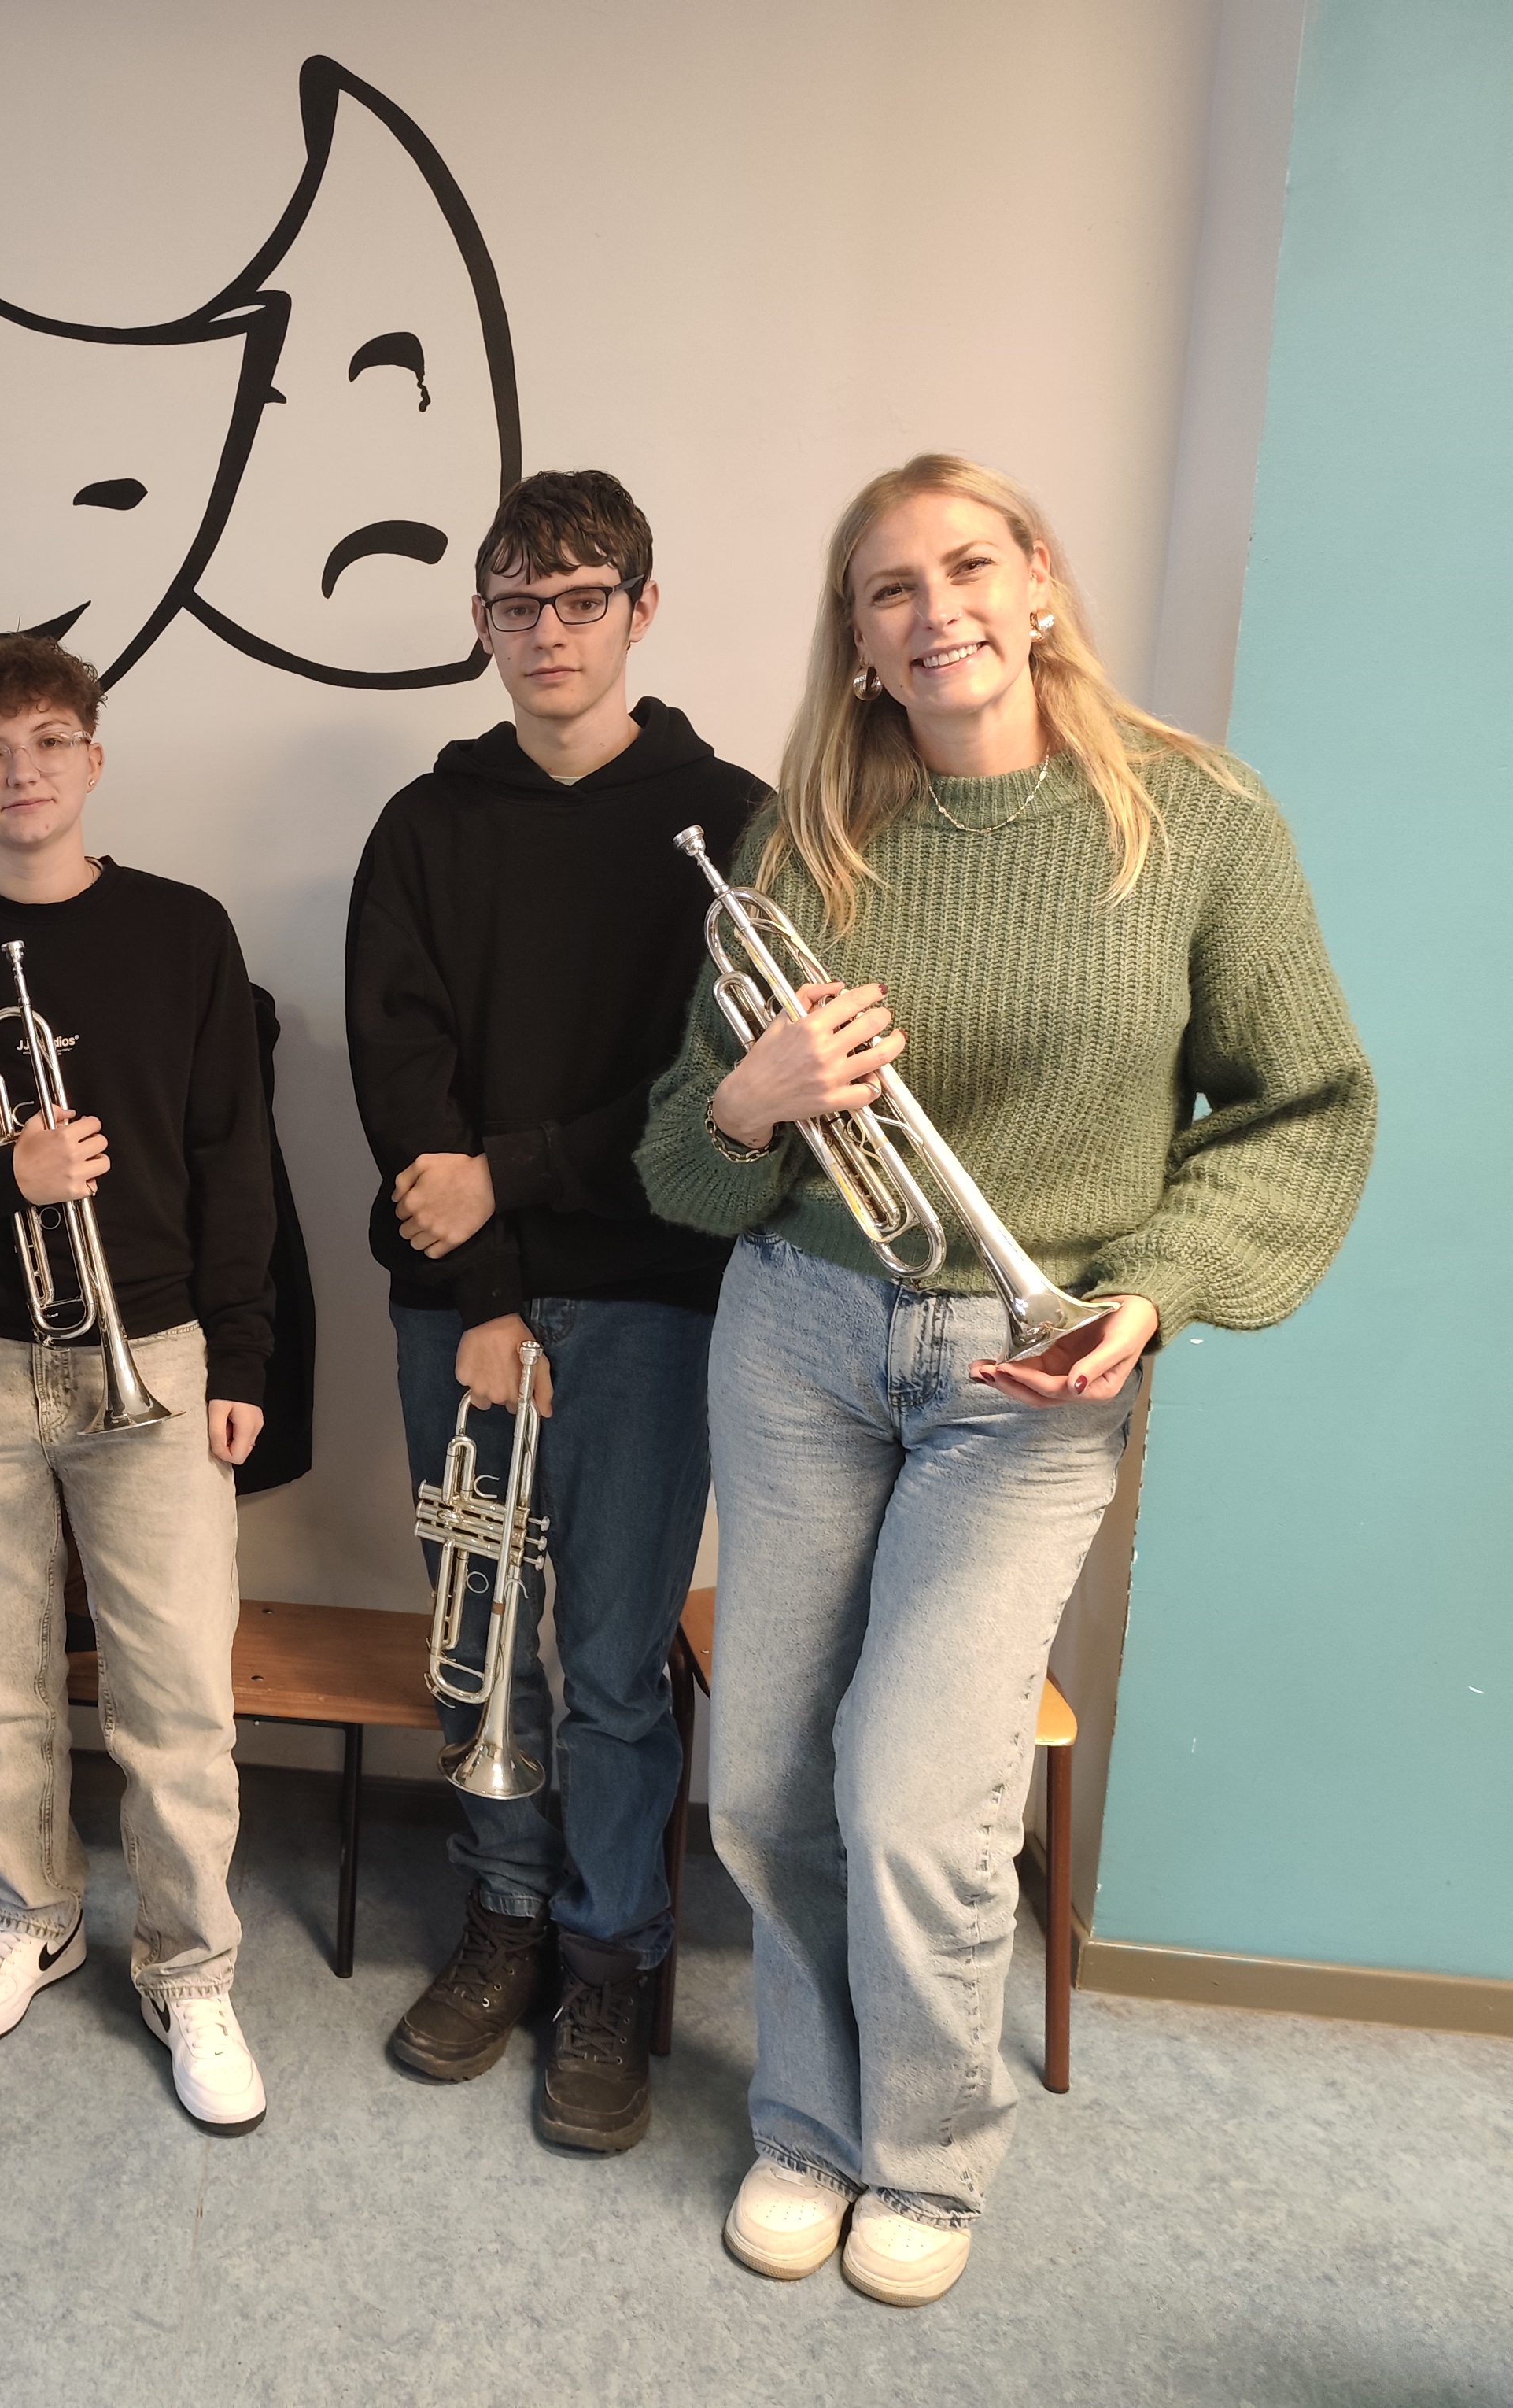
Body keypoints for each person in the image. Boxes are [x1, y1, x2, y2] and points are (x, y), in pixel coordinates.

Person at [636, 454, 1375, 2306]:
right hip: (798, 1339)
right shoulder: (807, 838)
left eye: (967, 566)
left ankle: (925, 2155)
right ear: (858, 640)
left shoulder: (1196, 820)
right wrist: (756, 1101)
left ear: (1038, 580)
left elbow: (1301, 1109)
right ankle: (807, 2125)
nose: (935, 610)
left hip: (1031, 1374)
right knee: (765, 1789)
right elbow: (684, 1166)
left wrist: (1162, 1291)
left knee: (914, 1796)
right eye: (888, 589)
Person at [346, 468, 766, 2155]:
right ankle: (505, 1917)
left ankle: (609, 1962)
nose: (548, 634)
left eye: (583, 600)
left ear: (642, 611)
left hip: (659, 1298)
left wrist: (512, 1176)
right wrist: (489, 1290)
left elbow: (716, 1091)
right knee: (480, 1636)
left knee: (609, 1663)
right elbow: (401, 1078)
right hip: (464, 1304)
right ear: (481, 622)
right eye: (516, 605)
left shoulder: (735, 819)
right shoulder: (425, 825)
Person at [0, 633, 277, 2131]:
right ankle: (31, 1914)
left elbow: (238, 1154)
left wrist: (245, 1354)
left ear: (93, 759)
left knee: (177, 1695)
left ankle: (191, 1967)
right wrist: (8, 1174)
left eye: (48, 741)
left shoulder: (185, 931)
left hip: (154, 1352)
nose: (21, 772)